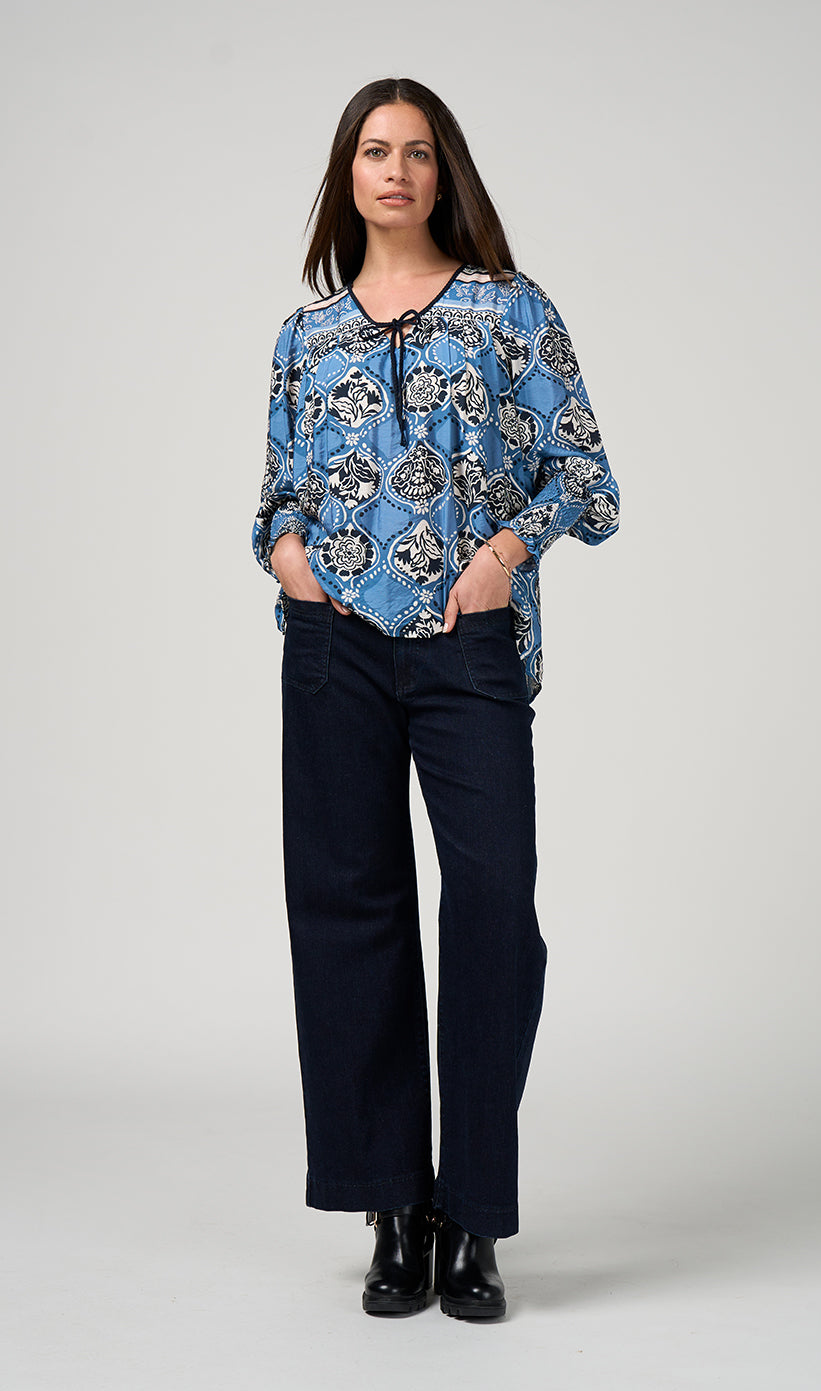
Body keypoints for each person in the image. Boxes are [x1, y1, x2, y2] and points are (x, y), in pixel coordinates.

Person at [251, 77, 619, 1319]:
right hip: (334, 645)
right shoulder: (305, 337)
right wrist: (288, 555)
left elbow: (586, 475)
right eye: (374, 150)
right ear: (347, 176)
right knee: (346, 910)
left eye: (417, 151)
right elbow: (277, 494)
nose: (396, 171)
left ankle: (473, 1211)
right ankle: (391, 1206)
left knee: (494, 907)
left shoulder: (511, 309)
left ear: (444, 170)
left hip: (468, 642)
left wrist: (504, 555)